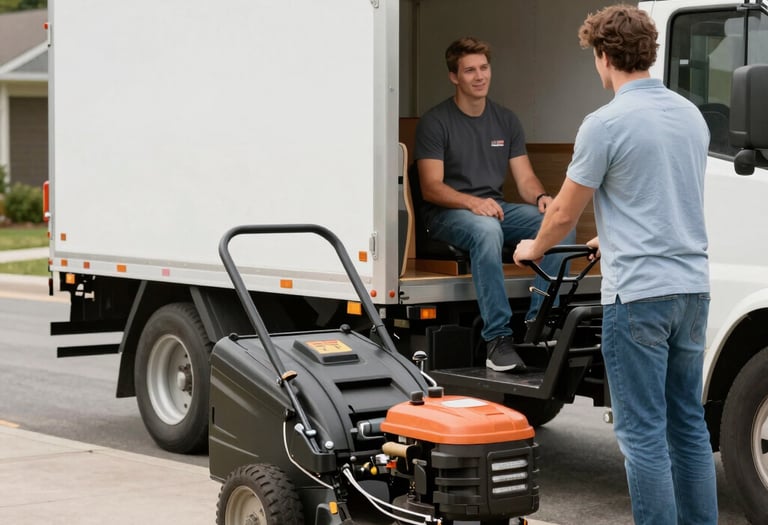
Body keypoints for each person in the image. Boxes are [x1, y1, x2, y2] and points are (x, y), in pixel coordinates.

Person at [513, 5, 717, 524]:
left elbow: (561, 213)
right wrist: (614, 232)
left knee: (642, 433)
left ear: (604, 57)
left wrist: (532, 248)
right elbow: (663, 195)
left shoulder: (604, 123)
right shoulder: (690, 114)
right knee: (688, 426)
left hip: (639, 297)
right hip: (691, 289)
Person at [414, 36, 576, 373]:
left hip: (493, 209)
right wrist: (473, 202)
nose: (479, 76)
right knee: (487, 230)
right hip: (445, 215)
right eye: (469, 70)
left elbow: (526, 179)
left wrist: (543, 198)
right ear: (454, 77)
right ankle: (497, 339)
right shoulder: (435, 121)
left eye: (484, 68)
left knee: (562, 220)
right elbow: (430, 187)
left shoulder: (506, 120)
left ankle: (539, 323)